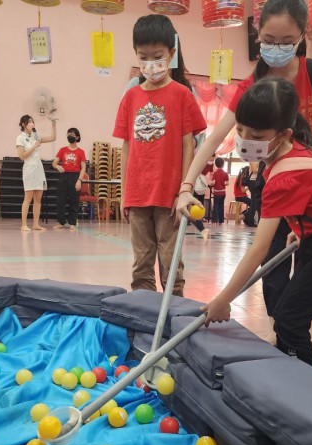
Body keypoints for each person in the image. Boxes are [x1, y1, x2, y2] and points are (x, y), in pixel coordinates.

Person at [177, 0, 312, 323]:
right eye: (269, 40)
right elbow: (214, 138)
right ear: (257, 33)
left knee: (308, 263)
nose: (277, 48)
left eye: (286, 41)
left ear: (302, 35)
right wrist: (186, 187)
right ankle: (280, 325)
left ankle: (295, 327)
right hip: (278, 179)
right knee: (272, 259)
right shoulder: (251, 85)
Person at [197, 78, 312, 369]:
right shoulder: (297, 149)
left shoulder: (285, 176)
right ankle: (290, 371)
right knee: (288, 315)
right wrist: (302, 228)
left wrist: (223, 300)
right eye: (240, 130)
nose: (245, 140)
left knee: (290, 320)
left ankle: (304, 387)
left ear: (283, 134)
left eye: (257, 135)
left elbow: (259, 249)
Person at [113, 14, 206, 296]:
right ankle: (144, 313)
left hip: (170, 196)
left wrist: (184, 190)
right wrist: (124, 193)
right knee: (141, 264)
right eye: (143, 57)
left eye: (157, 57)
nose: (150, 64)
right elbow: (126, 146)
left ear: (171, 54)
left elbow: (189, 145)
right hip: (138, 194)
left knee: (171, 264)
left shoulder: (182, 94)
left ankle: (173, 312)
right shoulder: (131, 97)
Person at [16, 115, 56, 232]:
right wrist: (34, 146)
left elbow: (52, 138)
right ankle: (24, 224)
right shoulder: (20, 138)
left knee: (38, 198)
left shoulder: (35, 136)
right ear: (23, 124)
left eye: (33, 122)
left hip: (39, 169)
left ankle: (36, 224)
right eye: (30, 122)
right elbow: (22, 156)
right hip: (29, 169)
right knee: (28, 198)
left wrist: (53, 124)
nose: (32, 124)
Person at [52, 128, 86, 232]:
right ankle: (61, 222)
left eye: (72, 134)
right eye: (68, 134)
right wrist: (57, 166)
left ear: (77, 137)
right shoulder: (62, 150)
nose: (69, 136)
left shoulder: (81, 152)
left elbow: (83, 167)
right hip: (63, 176)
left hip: (75, 176)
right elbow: (54, 163)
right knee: (60, 200)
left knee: (74, 201)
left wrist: (79, 180)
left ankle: (72, 223)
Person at [209, 157, 229, 224]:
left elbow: (213, 183)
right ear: (223, 165)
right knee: (221, 206)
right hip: (223, 192)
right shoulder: (225, 173)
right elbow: (227, 183)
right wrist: (223, 184)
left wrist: (211, 184)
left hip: (216, 193)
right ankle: (221, 221)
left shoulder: (215, 173)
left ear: (216, 164)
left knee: (216, 206)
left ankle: (214, 220)